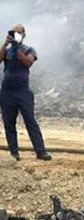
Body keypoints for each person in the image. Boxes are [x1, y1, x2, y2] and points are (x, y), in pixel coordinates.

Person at [0, 24, 51, 161]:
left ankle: (40, 151)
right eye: (13, 32)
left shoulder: (29, 49)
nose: (16, 34)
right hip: (7, 91)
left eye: (18, 32)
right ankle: (14, 153)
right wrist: (5, 44)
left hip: (23, 90)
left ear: (24, 34)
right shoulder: (8, 50)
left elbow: (27, 62)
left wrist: (17, 47)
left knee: (30, 121)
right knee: (9, 123)